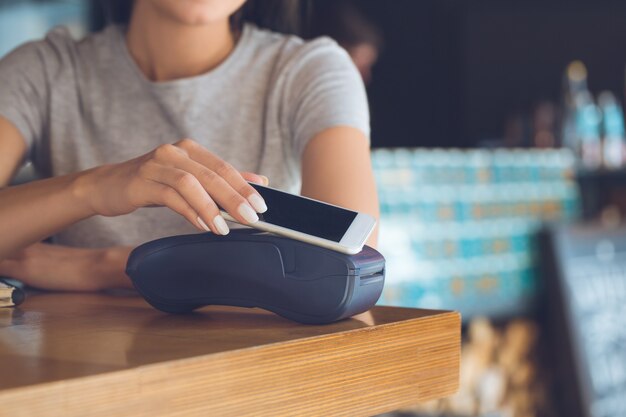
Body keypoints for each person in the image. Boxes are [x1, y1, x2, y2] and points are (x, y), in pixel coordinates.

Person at [0, 0, 379, 291]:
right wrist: (94, 187)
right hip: (80, 370)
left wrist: (103, 266)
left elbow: (346, 272)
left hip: (248, 365)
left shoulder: (311, 71)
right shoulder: (44, 71)